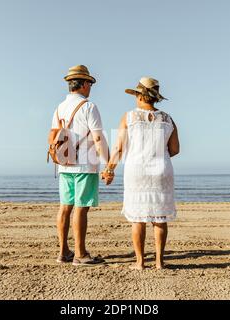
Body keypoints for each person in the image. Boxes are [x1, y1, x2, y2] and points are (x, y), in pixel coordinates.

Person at [101, 77, 180, 270]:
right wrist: (158, 153)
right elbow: (175, 149)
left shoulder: (129, 117)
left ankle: (140, 262)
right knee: (159, 218)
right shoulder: (168, 119)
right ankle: (160, 262)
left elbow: (119, 148)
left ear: (139, 95)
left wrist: (109, 169)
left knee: (138, 218)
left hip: (136, 170)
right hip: (162, 170)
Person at [52, 65, 109, 266]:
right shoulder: (88, 107)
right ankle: (81, 254)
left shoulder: (59, 107)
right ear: (84, 84)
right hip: (85, 164)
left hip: (64, 164)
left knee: (65, 207)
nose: (91, 87)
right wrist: (108, 164)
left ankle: (63, 252)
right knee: (81, 208)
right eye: (90, 83)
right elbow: (98, 137)